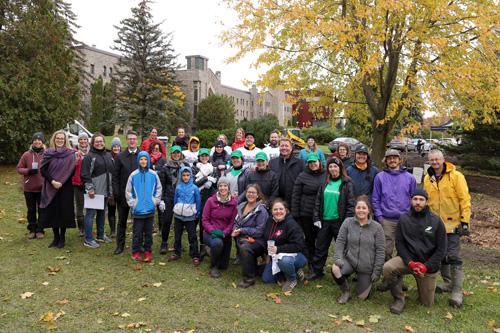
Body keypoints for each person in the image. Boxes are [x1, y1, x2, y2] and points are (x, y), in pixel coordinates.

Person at [383, 189, 447, 314]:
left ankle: (423, 288)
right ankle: (399, 299)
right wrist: (410, 262)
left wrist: (426, 266)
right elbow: (400, 244)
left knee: (427, 304)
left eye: (421, 200)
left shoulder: (436, 221)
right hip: (408, 261)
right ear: (410, 200)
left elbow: (441, 249)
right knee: (388, 267)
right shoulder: (403, 219)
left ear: (426, 202)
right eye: (415, 199)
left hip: (427, 266)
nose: (418, 202)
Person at [424, 149, 471, 308]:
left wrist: (465, 221)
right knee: (440, 254)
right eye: (432, 160)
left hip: (453, 224)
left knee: (454, 256)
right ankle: (447, 283)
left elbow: (465, 199)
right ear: (429, 161)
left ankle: (457, 291)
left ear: (443, 160)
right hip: (435, 225)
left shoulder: (456, 177)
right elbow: (427, 201)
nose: (435, 162)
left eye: (437, 159)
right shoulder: (427, 179)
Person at [372, 149, 416, 291]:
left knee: (403, 251)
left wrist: (411, 217)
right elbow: (375, 199)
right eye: (389, 158)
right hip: (386, 219)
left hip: (405, 219)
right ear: (386, 160)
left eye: (394, 158)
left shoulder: (410, 178)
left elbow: (414, 199)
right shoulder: (380, 177)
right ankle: (387, 278)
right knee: (386, 250)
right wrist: (379, 216)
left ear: (399, 160)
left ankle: (398, 279)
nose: (392, 160)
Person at [306, 157, 355, 281]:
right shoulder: (325, 182)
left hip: (339, 221)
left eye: (335, 166)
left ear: (340, 168)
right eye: (331, 166)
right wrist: (316, 217)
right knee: (320, 247)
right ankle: (317, 271)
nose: (333, 169)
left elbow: (351, 204)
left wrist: (347, 221)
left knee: (342, 249)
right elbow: (318, 201)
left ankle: (341, 272)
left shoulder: (347, 183)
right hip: (324, 221)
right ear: (328, 168)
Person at [331, 196, 385, 304]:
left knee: (362, 297)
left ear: (369, 210)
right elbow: (340, 241)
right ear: (355, 209)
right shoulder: (347, 222)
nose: (361, 210)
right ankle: (346, 291)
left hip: (366, 267)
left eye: (364, 208)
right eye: (358, 207)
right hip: (350, 261)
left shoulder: (377, 227)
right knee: (335, 268)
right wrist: (338, 258)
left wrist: (376, 271)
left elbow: (380, 251)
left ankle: (365, 281)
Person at [39, 130, 76, 248]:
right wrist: (53, 181)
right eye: (57, 138)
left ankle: (62, 238)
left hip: (65, 187)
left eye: (62, 138)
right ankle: (55, 238)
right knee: (53, 212)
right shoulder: (48, 153)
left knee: (63, 212)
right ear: (54, 140)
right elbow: (43, 170)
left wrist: (61, 181)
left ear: (65, 140)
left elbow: (72, 171)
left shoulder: (71, 154)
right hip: (51, 186)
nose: (60, 140)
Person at [262, 199, 308, 292]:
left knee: (285, 261)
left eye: (281, 209)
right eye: (275, 209)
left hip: (296, 255)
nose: (278, 211)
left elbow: (298, 245)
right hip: (275, 255)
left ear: (286, 210)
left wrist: (278, 249)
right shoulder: (270, 221)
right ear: (271, 211)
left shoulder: (291, 224)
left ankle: (292, 279)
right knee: (267, 279)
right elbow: (266, 238)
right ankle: (293, 270)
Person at [125, 151, 162, 262]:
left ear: (148, 160)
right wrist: (133, 203)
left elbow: (158, 189)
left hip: (150, 210)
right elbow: (128, 191)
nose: (143, 161)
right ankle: (135, 251)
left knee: (149, 233)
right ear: (138, 161)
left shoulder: (153, 174)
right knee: (137, 233)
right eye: (141, 159)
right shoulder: (133, 175)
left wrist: (155, 201)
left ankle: (147, 251)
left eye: (145, 159)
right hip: (138, 211)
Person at [80, 133, 115, 249]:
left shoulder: (108, 155)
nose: (99, 143)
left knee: (102, 213)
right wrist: (90, 189)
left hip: (105, 190)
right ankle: (88, 239)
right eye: (97, 142)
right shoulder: (89, 157)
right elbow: (85, 174)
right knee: (90, 214)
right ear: (93, 143)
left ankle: (100, 235)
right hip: (94, 191)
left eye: (101, 141)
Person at [291, 152, 325, 265]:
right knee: (309, 239)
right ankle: (310, 261)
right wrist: (295, 214)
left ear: (319, 162)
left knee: (321, 240)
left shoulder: (326, 175)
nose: (312, 164)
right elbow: (295, 195)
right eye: (310, 162)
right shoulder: (302, 176)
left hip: (322, 213)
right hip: (306, 213)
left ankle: (319, 263)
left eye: (314, 161)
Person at [234, 184, 269, 287]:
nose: (250, 194)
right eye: (249, 192)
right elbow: (236, 222)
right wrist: (234, 230)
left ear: (258, 195)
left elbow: (260, 231)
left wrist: (242, 230)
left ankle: (249, 279)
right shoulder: (241, 206)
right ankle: (255, 269)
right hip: (244, 236)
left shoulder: (261, 210)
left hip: (258, 240)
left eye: (253, 193)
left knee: (245, 247)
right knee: (243, 243)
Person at [202, 177, 238, 278]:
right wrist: (212, 231)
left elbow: (232, 222)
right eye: (220, 186)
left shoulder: (234, 203)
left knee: (224, 266)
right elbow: (204, 219)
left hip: (225, 235)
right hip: (210, 233)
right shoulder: (211, 201)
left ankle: (210, 251)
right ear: (218, 187)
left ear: (228, 187)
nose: (223, 188)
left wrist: (224, 233)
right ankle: (213, 267)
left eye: (225, 186)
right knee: (217, 243)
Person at [157, 145, 190, 254]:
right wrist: (161, 199)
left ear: (181, 153)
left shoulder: (185, 165)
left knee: (180, 222)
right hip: (169, 196)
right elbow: (162, 184)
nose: (176, 155)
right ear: (171, 154)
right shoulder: (166, 167)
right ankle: (164, 242)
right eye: (174, 153)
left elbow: (190, 181)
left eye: (178, 152)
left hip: (182, 197)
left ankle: (178, 244)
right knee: (166, 221)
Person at [112, 130, 139, 255]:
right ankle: (120, 245)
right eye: (130, 139)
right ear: (127, 140)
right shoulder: (120, 157)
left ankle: (138, 245)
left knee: (138, 222)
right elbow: (115, 176)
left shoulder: (142, 155)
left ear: (137, 140)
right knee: (122, 221)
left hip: (139, 196)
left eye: (134, 138)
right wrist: (116, 193)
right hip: (123, 196)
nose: (132, 141)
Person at [169, 166, 202, 266]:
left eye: (188, 175)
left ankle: (195, 255)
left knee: (192, 236)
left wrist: (197, 212)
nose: (185, 177)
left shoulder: (194, 188)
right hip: (178, 215)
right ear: (180, 176)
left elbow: (198, 201)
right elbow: (175, 199)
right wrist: (176, 208)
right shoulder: (178, 187)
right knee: (177, 235)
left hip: (190, 216)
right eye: (183, 175)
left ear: (191, 176)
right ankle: (177, 252)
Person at [17, 132, 46, 239]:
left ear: (42, 142)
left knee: (42, 209)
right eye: (35, 140)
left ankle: (40, 230)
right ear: (32, 142)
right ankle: (32, 229)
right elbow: (19, 168)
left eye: (39, 140)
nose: (37, 142)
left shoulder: (47, 154)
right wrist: (28, 171)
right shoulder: (26, 155)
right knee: (31, 210)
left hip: (42, 187)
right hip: (29, 188)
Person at [192, 148, 217, 257]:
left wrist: (212, 182)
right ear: (199, 157)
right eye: (202, 156)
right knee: (194, 223)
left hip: (208, 198)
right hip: (196, 198)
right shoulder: (194, 168)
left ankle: (204, 246)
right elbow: (193, 183)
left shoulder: (213, 168)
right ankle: (193, 247)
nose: (204, 158)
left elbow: (216, 182)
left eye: (206, 156)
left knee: (205, 223)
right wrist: (206, 178)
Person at [269, 138, 304, 209]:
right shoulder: (272, 163)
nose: (284, 148)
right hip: (276, 202)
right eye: (282, 146)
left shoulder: (300, 163)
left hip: (293, 201)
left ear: (291, 148)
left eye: (286, 146)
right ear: (279, 147)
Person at [71, 132, 90, 236]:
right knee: (79, 207)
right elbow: (70, 168)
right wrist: (76, 161)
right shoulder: (74, 153)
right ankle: (81, 228)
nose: (83, 141)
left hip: (89, 183)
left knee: (90, 207)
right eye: (81, 140)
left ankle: (89, 227)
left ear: (88, 141)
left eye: (85, 139)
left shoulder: (91, 152)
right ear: (78, 141)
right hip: (77, 183)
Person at [108, 137, 122, 238]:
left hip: (121, 188)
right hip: (111, 188)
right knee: (111, 209)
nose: (116, 148)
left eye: (118, 146)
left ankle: (120, 229)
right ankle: (113, 231)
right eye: (114, 146)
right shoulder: (108, 157)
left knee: (121, 211)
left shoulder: (123, 157)